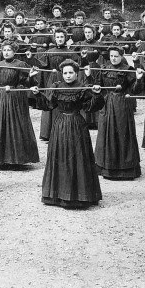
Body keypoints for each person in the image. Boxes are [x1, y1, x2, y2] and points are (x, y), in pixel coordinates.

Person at [30, 59, 104, 208]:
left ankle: (80, 195)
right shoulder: (57, 87)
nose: (68, 75)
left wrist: (96, 94)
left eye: (71, 73)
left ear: (76, 74)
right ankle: (58, 195)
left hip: (77, 125)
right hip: (60, 126)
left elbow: (91, 108)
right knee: (61, 157)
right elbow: (48, 105)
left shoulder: (82, 88)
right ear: (61, 74)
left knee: (78, 157)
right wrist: (38, 94)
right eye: (65, 73)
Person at [0, 40, 40, 167]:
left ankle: (18, 159)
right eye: (4, 50)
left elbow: (29, 83)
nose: (6, 52)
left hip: (16, 97)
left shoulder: (21, 64)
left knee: (17, 124)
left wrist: (31, 76)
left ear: (14, 51)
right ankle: (2, 159)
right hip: (1, 97)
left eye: (9, 50)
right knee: (1, 124)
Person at [94, 46, 143, 179]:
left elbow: (135, 90)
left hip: (122, 104)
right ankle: (106, 167)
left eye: (116, 56)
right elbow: (97, 85)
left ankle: (125, 168)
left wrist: (138, 79)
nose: (114, 58)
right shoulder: (104, 68)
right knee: (106, 132)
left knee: (122, 133)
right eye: (111, 56)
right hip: (107, 103)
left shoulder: (128, 70)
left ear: (122, 56)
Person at [37, 28, 80, 141]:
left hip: (66, 80)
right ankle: (48, 132)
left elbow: (77, 66)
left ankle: (62, 131)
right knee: (51, 100)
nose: (60, 39)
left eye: (62, 37)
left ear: (65, 38)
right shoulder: (49, 52)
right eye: (58, 37)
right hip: (53, 80)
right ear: (54, 38)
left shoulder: (70, 52)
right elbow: (42, 65)